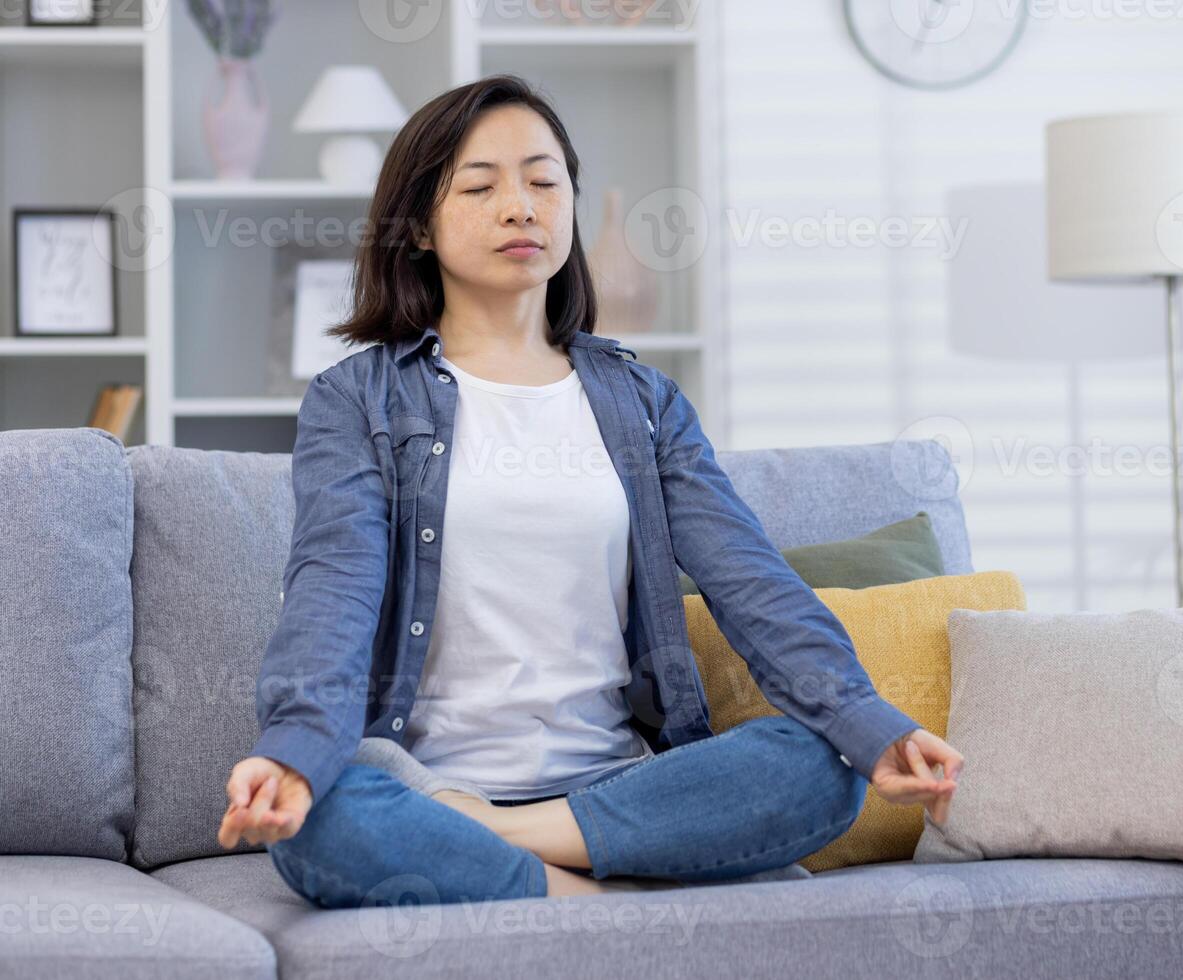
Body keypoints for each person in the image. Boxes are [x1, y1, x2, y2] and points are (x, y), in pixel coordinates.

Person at [215, 73, 962, 908]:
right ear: (419, 223)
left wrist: (872, 724)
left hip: (617, 782)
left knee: (824, 764)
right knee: (326, 820)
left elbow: (752, 582)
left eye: (543, 181)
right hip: (423, 780)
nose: (520, 206)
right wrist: (293, 751)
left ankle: (513, 853)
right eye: (481, 184)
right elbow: (333, 591)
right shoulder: (358, 400)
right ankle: (606, 897)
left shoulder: (643, 403)